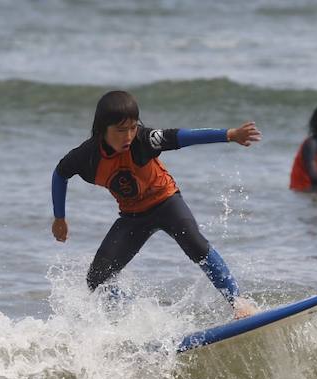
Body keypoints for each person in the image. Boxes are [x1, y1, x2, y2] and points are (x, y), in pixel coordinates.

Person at [51, 90, 260, 319]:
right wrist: (59, 218)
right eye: (120, 130)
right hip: (132, 217)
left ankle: (239, 304)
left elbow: (183, 137)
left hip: (166, 203)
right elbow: (60, 174)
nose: (128, 136)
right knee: (96, 279)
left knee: (196, 245)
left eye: (132, 127)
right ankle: (138, 317)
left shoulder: (143, 140)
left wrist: (230, 134)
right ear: (102, 130)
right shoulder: (87, 157)